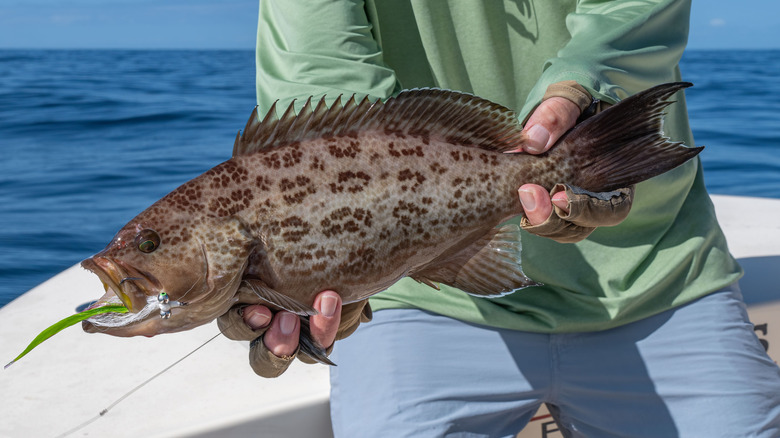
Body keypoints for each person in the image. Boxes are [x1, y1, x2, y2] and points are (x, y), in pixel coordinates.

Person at [218, 1, 780, 436]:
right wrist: (352, 267)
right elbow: (322, 80)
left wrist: (584, 89)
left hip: (659, 274)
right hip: (424, 299)